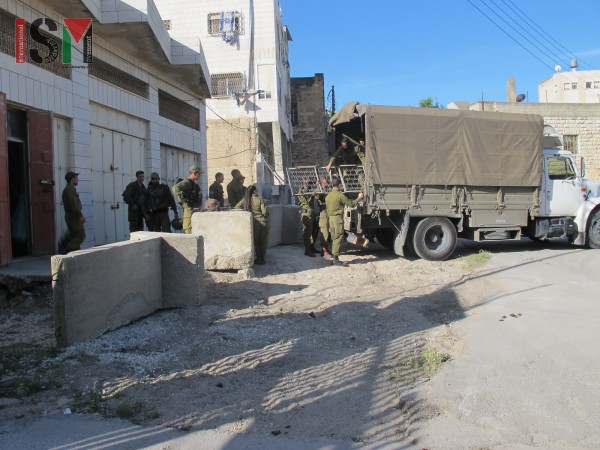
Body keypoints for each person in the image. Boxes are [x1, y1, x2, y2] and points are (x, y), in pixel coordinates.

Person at [325, 177, 364, 266]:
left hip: (331, 219)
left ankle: (334, 258)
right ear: (339, 185)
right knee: (338, 238)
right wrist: (359, 198)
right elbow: (351, 204)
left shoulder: (328, 196)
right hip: (337, 219)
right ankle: (335, 259)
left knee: (334, 238)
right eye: (341, 185)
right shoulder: (340, 195)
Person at [236, 184, 269, 265]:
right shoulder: (259, 199)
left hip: (254, 223)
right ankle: (263, 259)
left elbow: (237, 206)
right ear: (254, 191)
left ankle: (258, 259)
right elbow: (264, 212)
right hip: (263, 222)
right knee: (263, 242)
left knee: (256, 242)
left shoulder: (246, 199)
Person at [172, 165, 203, 234]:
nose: (199, 176)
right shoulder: (187, 182)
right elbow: (175, 188)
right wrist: (181, 200)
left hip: (194, 209)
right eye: (199, 174)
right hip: (189, 209)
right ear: (194, 173)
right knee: (188, 230)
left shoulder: (193, 184)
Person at [61, 171, 86, 253]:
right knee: (80, 236)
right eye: (76, 178)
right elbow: (74, 204)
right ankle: (65, 249)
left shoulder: (69, 189)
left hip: (71, 216)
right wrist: (80, 215)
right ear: (72, 179)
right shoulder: (69, 190)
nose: (78, 180)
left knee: (74, 236)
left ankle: (76, 254)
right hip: (73, 217)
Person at [297, 177, 320, 257]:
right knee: (308, 232)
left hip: (312, 212)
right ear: (304, 180)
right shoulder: (302, 190)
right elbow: (306, 202)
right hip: (307, 212)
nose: (309, 181)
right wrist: (312, 196)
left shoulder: (309, 188)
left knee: (315, 230)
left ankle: (312, 247)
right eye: (307, 179)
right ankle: (307, 250)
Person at [315, 176, 333, 260]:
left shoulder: (328, 189)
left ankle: (326, 250)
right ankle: (324, 251)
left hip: (329, 213)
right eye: (325, 181)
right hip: (323, 214)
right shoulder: (319, 190)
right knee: (324, 233)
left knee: (329, 233)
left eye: (327, 180)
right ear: (321, 182)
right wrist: (320, 187)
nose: (327, 182)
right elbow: (319, 198)